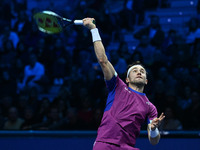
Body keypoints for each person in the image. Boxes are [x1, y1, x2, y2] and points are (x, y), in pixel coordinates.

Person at [83, 18, 165, 150]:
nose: (139, 72)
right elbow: (103, 60)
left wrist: (154, 129)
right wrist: (93, 30)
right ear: (127, 79)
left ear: (146, 81)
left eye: (142, 71)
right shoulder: (117, 86)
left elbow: (154, 141)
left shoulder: (151, 108)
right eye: (135, 71)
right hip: (105, 144)